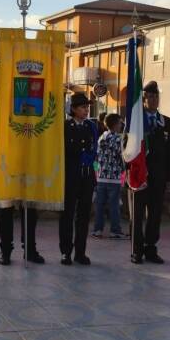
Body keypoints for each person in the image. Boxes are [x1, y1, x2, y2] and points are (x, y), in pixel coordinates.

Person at [0, 96, 43, 266]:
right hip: (6, 162)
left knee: (30, 210)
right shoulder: (1, 101)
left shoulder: (28, 101)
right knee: (5, 210)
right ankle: (5, 251)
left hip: (29, 161)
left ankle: (30, 250)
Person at [130, 81, 170, 265]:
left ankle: (151, 249)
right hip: (139, 176)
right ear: (143, 99)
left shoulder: (166, 122)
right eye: (150, 96)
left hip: (158, 177)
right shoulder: (135, 121)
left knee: (155, 216)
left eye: (157, 96)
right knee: (137, 215)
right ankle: (136, 251)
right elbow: (126, 147)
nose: (154, 100)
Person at [59, 93, 97, 266]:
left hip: (86, 176)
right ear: (73, 109)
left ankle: (80, 252)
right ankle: (66, 252)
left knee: (83, 216)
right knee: (67, 215)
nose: (86, 110)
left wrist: (93, 183)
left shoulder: (91, 127)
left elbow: (93, 149)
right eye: (82, 107)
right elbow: (65, 150)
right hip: (71, 176)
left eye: (87, 107)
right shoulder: (66, 127)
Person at [93, 113, 129, 240]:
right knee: (114, 205)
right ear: (115, 125)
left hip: (101, 176)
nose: (121, 125)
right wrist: (123, 169)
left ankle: (98, 229)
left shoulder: (101, 137)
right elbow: (122, 156)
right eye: (120, 123)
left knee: (100, 205)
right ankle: (115, 230)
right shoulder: (118, 139)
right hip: (114, 177)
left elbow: (97, 156)